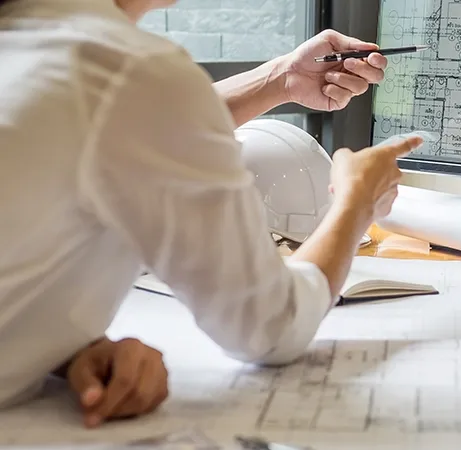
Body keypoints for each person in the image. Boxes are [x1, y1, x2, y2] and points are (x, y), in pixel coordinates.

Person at [0, 0, 423, 428]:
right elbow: (269, 325)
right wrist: (356, 202)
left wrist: (60, 346)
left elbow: (129, 124)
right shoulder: (129, 69)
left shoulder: (34, 44)